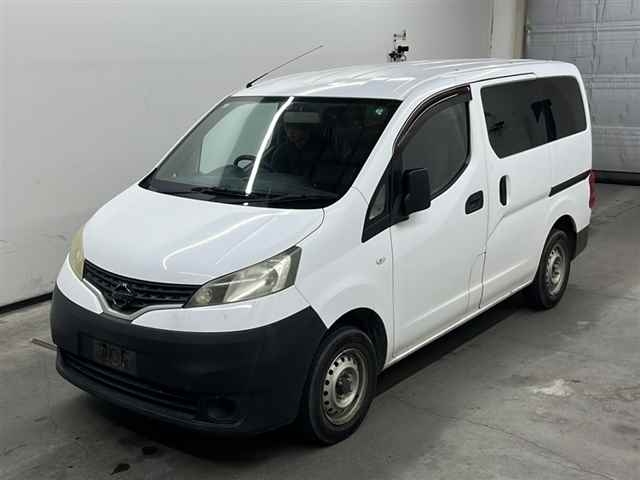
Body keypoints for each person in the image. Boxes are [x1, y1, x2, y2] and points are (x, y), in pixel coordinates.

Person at [268, 111, 325, 178]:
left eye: (295, 128)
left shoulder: (322, 150)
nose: (290, 132)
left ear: (306, 129)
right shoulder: (281, 151)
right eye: (287, 128)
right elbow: (275, 178)